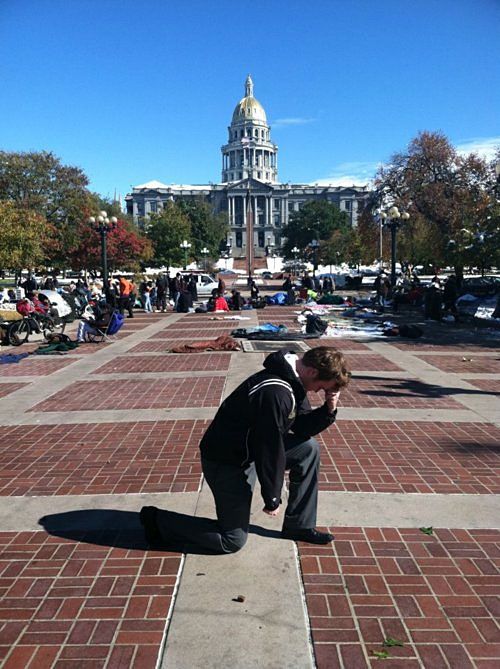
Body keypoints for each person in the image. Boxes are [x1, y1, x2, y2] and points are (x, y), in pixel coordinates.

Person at [140, 346, 351, 553]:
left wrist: (328, 409)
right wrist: (272, 497)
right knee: (231, 540)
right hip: (227, 461)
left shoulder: (295, 381)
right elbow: (269, 447)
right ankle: (157, 521)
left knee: (308, 449)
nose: (318, 391)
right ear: (312, 371)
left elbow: (302, 427)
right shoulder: (275, 392)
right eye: (322, 387)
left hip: (249, 449)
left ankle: (299, 526)